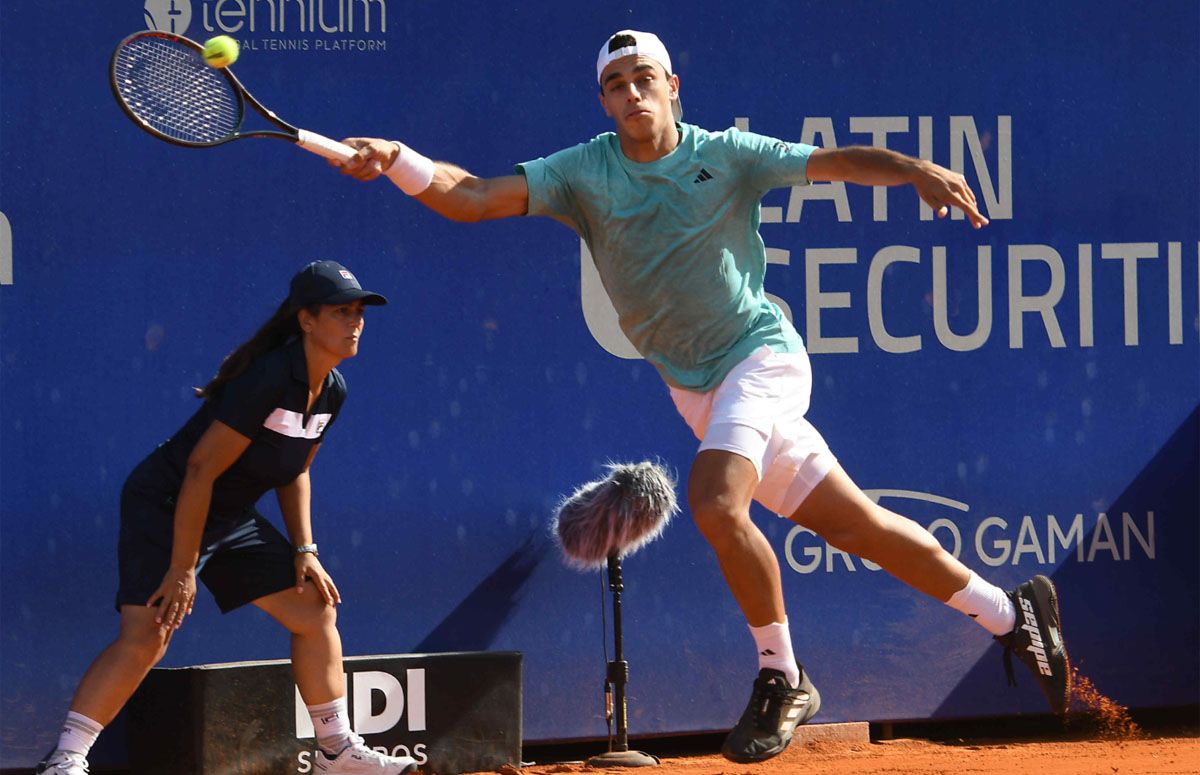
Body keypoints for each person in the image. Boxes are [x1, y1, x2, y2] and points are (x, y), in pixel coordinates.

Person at [333, 30, 1070, 763]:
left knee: (717, 502)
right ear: (603, 100)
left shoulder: (726, 154)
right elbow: (474, 197)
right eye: (616, 83)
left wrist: (914, 169)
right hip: (698, 390)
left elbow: (836, 161)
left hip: (762, 357)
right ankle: (1012, 612)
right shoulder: (582, 171)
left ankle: (783, 674)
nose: (631, 92)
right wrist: (400, 159)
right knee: (860, 528)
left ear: (672, 85)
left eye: (643, 78)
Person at [35, 261, 417, 775]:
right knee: (150, 630)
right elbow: (198, 470)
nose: (354, 323)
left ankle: (336, 753)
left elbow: (294, 471)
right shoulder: (268, 378)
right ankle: (65, 759)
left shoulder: (332, 390)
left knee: (313, 608)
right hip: (168, 501)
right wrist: (181, 568)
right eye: (340, 312)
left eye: (359, 313)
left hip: (227, 512)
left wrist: (306, 550)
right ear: (306, 320)